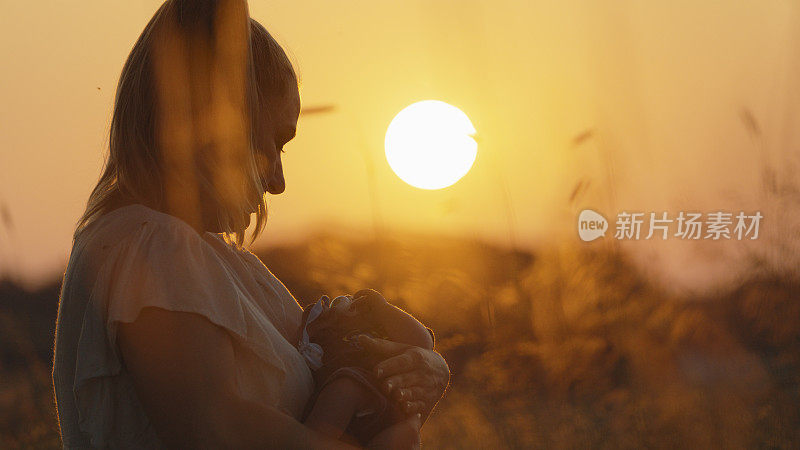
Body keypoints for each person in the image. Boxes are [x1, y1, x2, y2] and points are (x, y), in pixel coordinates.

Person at [51, 1, 450, 448]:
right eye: (273, 144)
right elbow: (214, 429)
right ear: (217, 125)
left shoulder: (221, 264)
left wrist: (424, 368)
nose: (278, 182)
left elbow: (334, 369)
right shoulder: (152, 248)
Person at [299, 290, 435, 446]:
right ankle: (306, 440)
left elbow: (424, 343)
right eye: (326, 312)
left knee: (345, 388)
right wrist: (312, 331)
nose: (331, 306)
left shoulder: (383, 331)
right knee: (343, 387)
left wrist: (383, 309)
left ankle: (308, 442)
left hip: (380, 394)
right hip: (354, 407)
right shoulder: (327, 343)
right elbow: (305, 353)